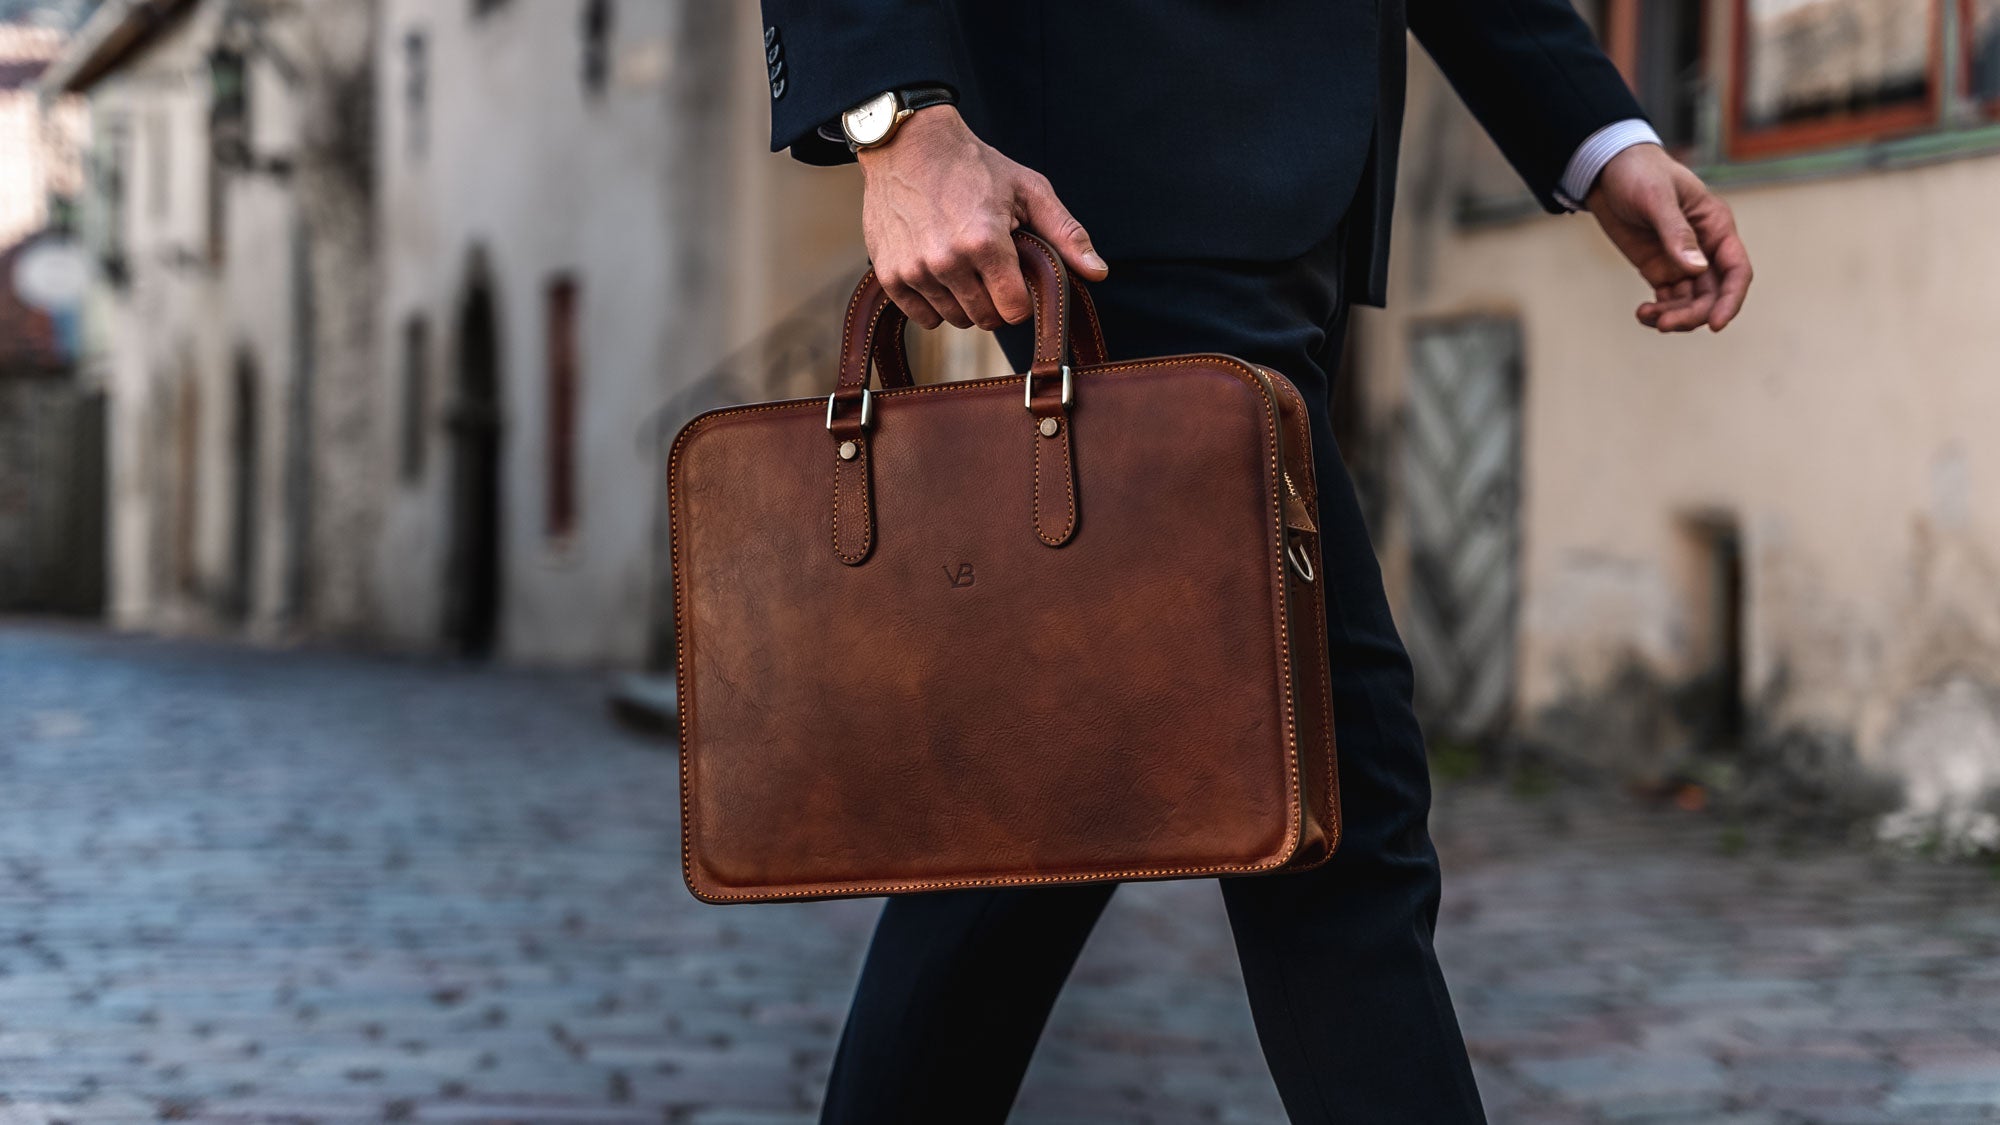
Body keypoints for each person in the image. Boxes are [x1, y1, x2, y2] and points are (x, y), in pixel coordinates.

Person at [756, 3, 1753, 1121]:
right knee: (1326, 782)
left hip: (1274, 195)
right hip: (1111, 172)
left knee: (1062, 783)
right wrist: (895, 114)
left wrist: (1593, 135)